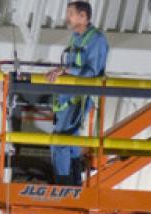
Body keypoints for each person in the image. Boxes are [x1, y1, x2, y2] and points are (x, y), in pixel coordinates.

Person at [46, 1, 108, 185]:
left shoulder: (96, 40)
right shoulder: (76, 38)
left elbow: (92, 72)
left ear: (83, 16)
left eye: (70, 14)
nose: (67, 18)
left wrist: (66, 71)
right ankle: (73, 183)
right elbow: (72, 65)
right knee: (68, 142)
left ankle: (64, 185)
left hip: (79, 98)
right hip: (67, 98)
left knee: (60, 142)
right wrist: (60, 70)